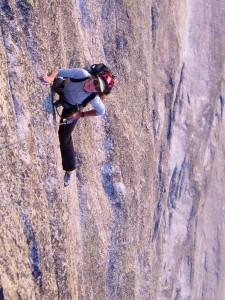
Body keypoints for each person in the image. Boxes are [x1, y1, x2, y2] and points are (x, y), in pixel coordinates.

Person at [39, 65, 114, 186]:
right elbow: (57, 71)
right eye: (95, 82)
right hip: (62, 89)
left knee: (64, 138)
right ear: (93, 77)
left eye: (97, 88)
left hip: (71, 109)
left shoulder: (93, 97)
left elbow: (101, 111)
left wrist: (80, 114)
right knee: (60, 82)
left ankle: (69, 169)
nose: (92, 87)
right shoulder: (81, 74)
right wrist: (50, 78)